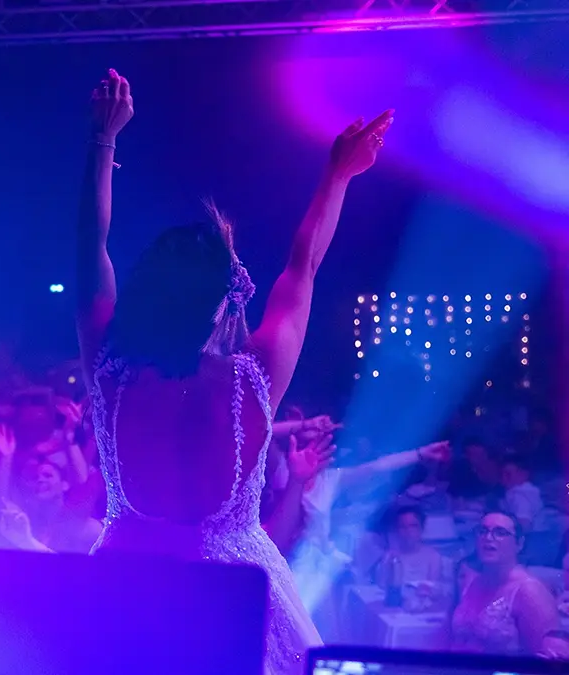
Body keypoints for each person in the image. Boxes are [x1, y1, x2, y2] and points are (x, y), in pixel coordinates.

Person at [76, 68, 392, 675]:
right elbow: (304, 265)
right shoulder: (255, 378)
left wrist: (103, 139)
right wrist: (337, 174)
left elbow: (89, 246)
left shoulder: (110, 373)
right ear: (226, 301)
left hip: (126, 593)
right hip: (234, 603)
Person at [448, 511, 559, 656]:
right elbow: (447, 638)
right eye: (482, 531)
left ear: (519, 544)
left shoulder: (530, 592)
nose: (488, 538)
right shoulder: (470, 583)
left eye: (500, 532)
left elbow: (541, 663)